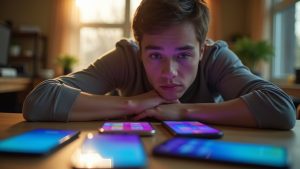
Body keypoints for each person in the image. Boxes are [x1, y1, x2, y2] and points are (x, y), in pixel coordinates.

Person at [23, 0, 296, 129]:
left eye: (183, 55)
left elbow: (279, 108)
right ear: (140, 50)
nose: (170, 73)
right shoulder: (126, 57)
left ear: (201, 50)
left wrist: (183, 112)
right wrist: (135, 103)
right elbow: (39, 100)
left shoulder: (215, 57)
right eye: (155, 55)